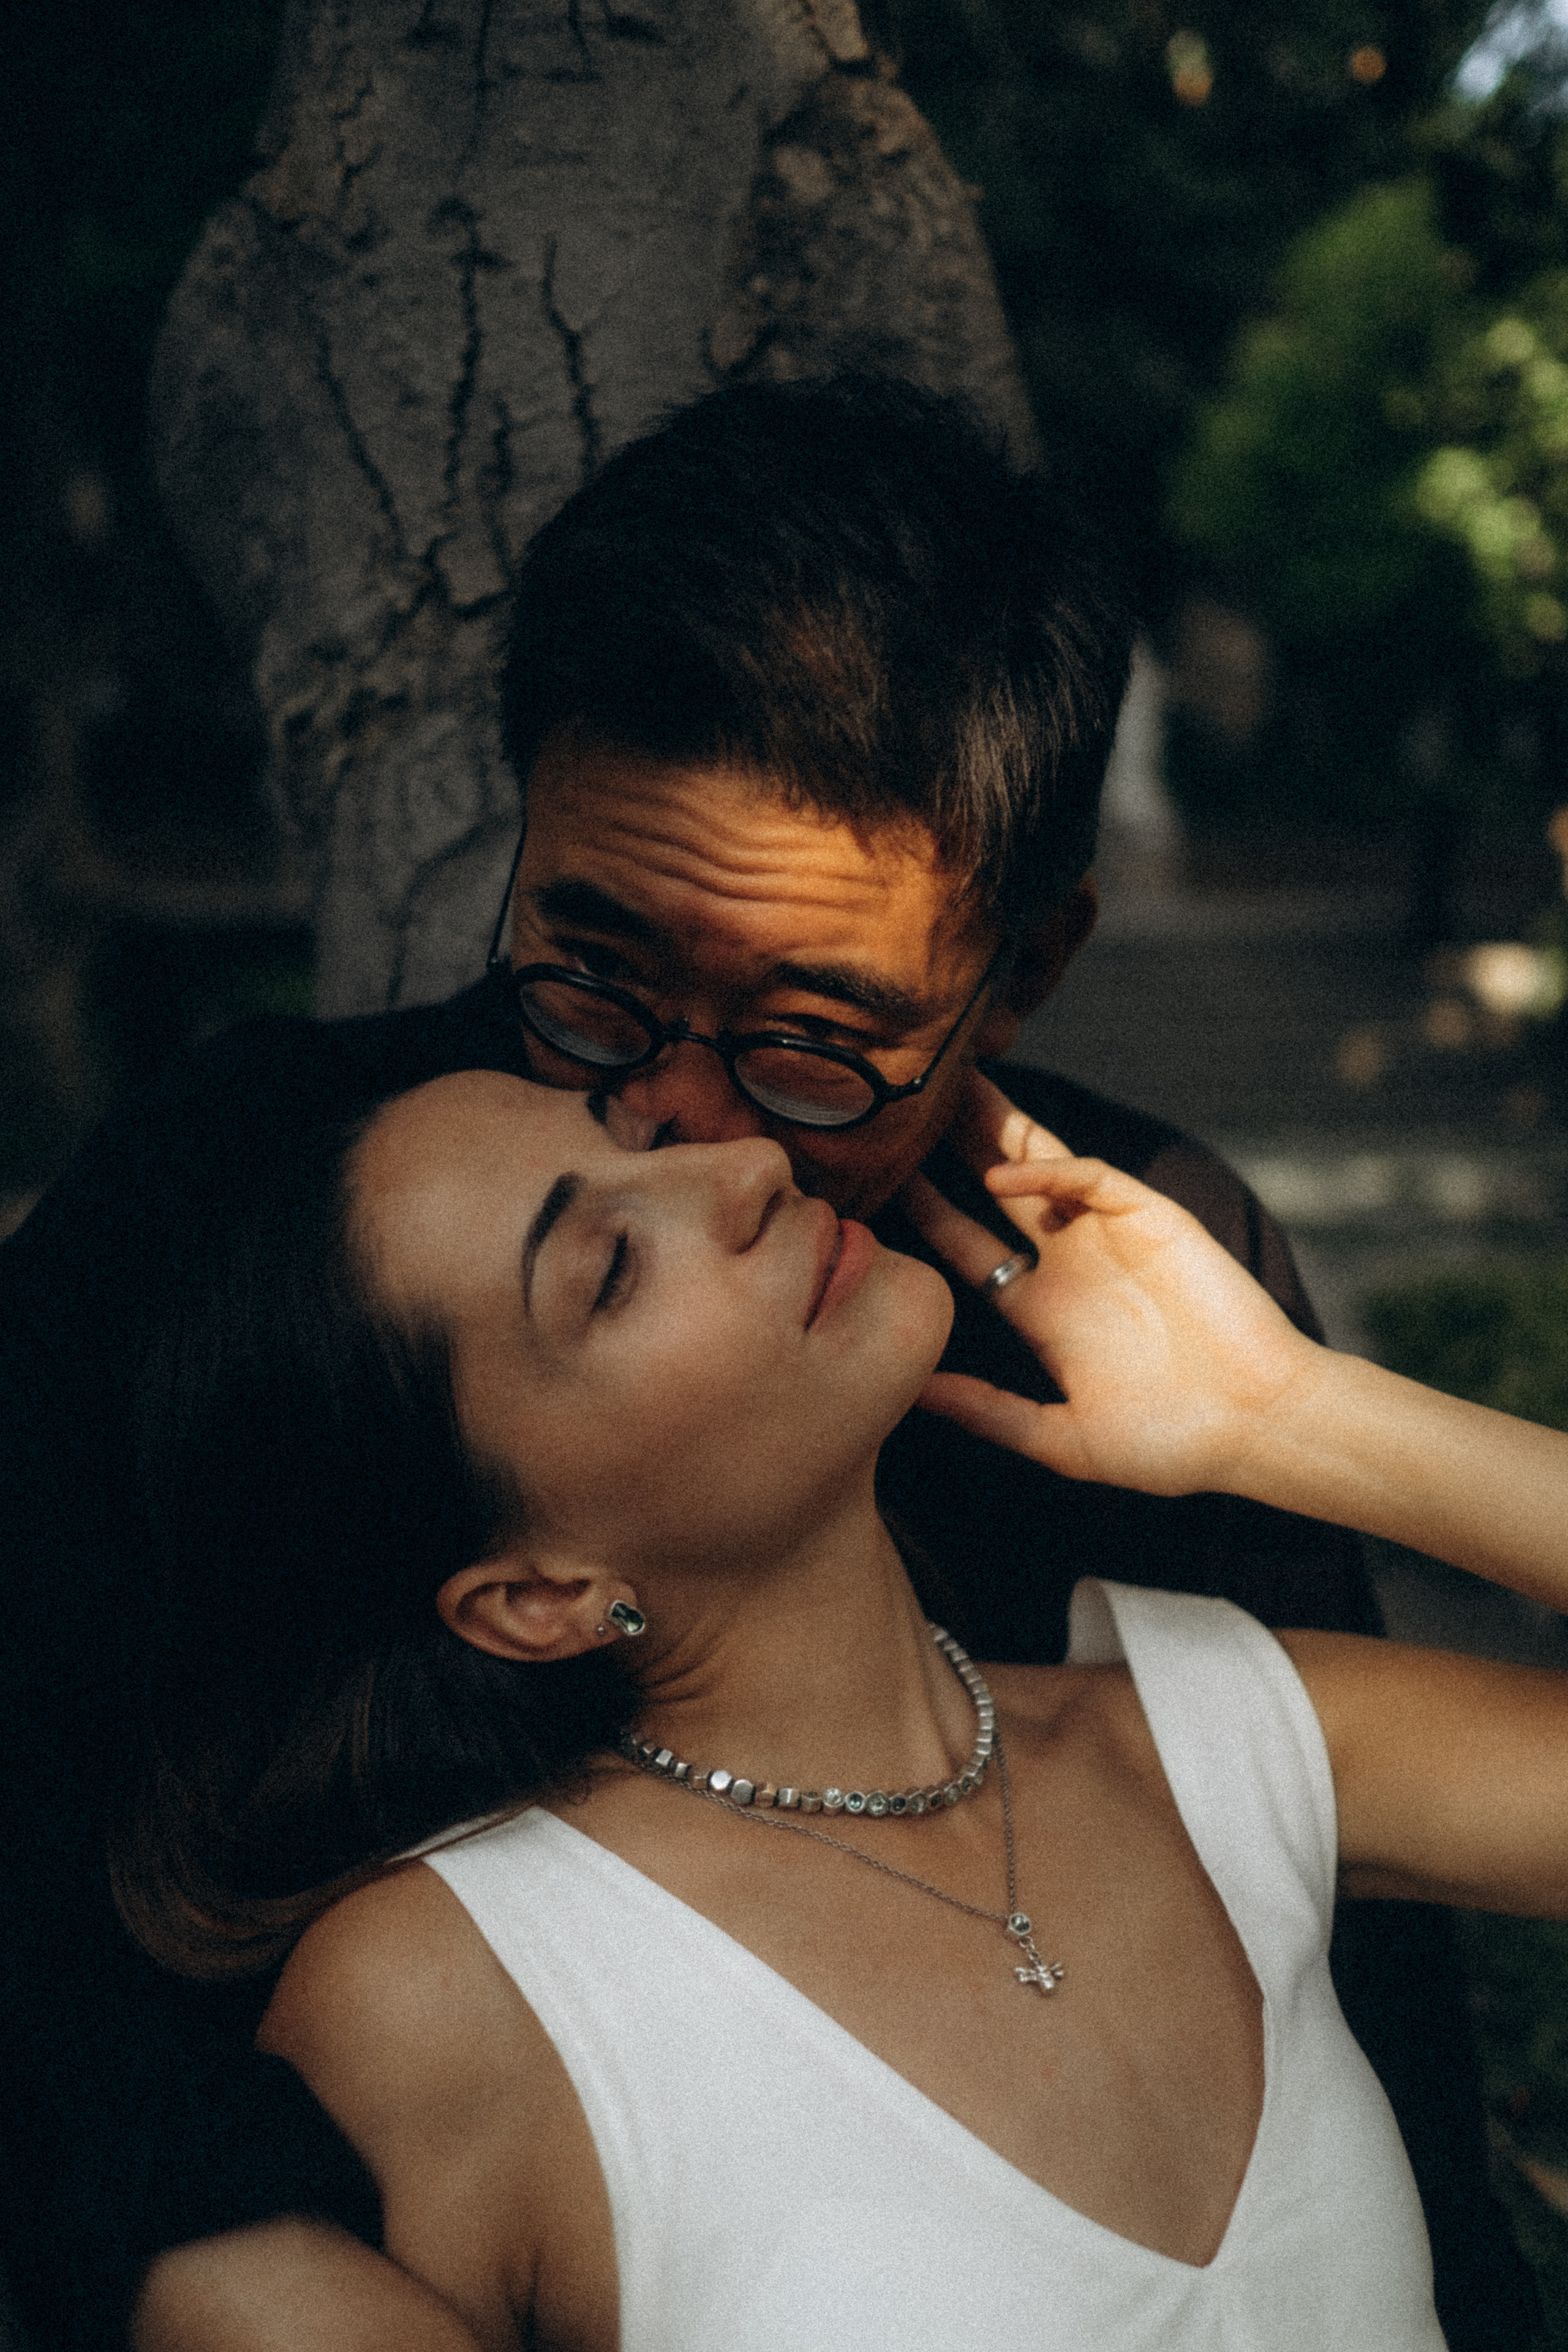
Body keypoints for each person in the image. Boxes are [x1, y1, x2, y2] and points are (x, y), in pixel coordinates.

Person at [0, 377, 1528, 2348]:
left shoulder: (1140, 1262)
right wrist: (219, 2247)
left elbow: (1384, 2041)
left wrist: (1302, 1423)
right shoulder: (273, 1207)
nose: (697, 1127)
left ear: (1023, 971)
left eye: (811, 1037)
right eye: (597, 974)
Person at [88, 1041, 1568, 2352]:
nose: (740, 1167)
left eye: (648, 1154)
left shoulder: (1220, 1734)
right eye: (608, 1268)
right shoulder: (446, 1996)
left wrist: (1285, 1415)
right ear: (536, 1596)